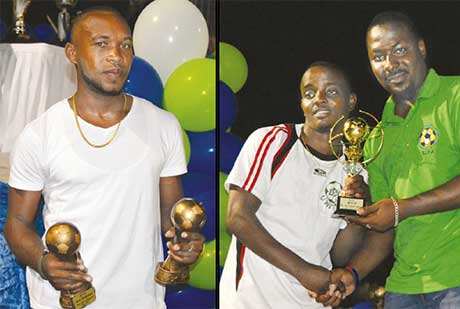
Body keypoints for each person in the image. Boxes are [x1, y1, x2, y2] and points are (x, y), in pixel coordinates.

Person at [4, 7, 203, 309]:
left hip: (141, 301)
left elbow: (170, 214)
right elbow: (17, 223)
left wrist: (184, 242)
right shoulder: (39, 134)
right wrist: (45, 264)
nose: (116, 55)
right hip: (62, 303)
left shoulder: (164, 125)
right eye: (101, 44)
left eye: (125, 45)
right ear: (72, 53)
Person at [317, 11, 460, 308]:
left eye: (399, 50)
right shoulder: (376, 137)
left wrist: (401, 207)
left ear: (420, 48)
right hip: (404, 287)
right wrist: (353, 272)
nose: (390, 64)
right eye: (378, 56)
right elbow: (387, 228)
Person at [219, 61, 375, 308]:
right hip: (253, 300)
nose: (319, 99)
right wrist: (304, 272)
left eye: (331, 91)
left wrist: (358, 216)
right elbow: (237, 218)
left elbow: (340, 255)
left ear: (351, 101)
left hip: (310, 302)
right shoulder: (272, 141)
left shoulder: (355, 170)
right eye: (309, 93)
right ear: (302, 103)